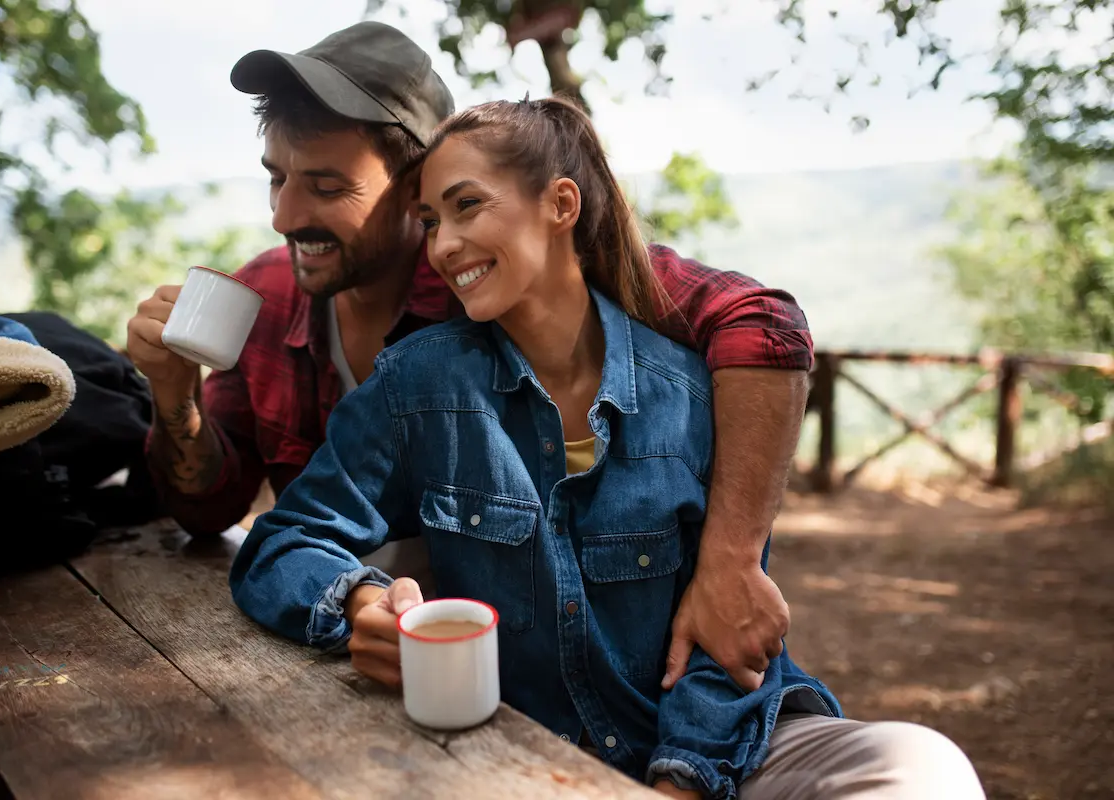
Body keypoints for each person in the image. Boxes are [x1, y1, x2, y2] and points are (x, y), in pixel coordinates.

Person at [228, 96, 986, 800]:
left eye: (467, 208)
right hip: (514, 754)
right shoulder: (417, 387)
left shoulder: (694, 395)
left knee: (922, 767)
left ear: (561, 205)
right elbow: (284, 542)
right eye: (430, 221)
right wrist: (357, 600)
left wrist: (679, 781)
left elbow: (728, 638)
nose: (446, 245)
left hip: (715, 751)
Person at [129, 20, 805, 696]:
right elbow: (213, 514)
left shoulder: (504, 283)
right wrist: (175, 396)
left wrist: (731, 559)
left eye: (327, 187)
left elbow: (762, 323)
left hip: (521, 672)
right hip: (342, 652)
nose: (283, 215)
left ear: (417, 183)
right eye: (276, 179)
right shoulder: (267, 297)